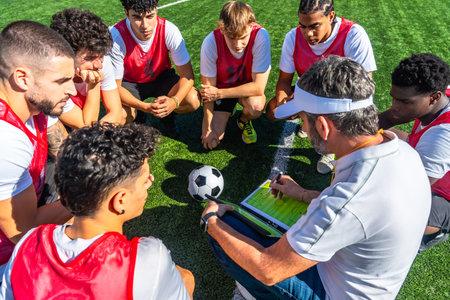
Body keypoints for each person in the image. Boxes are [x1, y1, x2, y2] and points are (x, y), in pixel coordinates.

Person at [201, 56, 430, 299]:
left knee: (228, 228)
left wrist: (212, 222)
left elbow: (268, 269)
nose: (304, 128)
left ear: (323, 126)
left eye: (302, 120)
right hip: (367, 281)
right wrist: (302, 194)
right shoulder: (402, 150)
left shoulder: (350, 198)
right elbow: (362, 212)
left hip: (333, 290)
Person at [0, 122, 195, 299]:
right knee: (186, 278)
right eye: (145, 180)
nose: (150, 181)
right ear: (120, 200)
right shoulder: (149, 259)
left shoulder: (29, 242)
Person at [265, 0, 376, 174]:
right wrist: (282, 98)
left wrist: (317, 105)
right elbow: (284, 81)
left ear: (331, 16)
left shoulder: (353, 34)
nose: (308, 33)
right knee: (273, 111)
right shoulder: (292, 37)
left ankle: (331, 146)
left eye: (314, 26)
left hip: (341, 98)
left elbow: (363, 90)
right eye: (303, 26)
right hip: (308, 93)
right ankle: (310, 124)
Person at [0, 21, 74, 277]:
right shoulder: (6, 140)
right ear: (22, 78)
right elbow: (22, 229)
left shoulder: (36, 103)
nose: (72, 90)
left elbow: (68, 153)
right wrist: (96, 191)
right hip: (7, 258)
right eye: (62, 81)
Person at [378, 53, 450, 252]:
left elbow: (413, 192)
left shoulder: (443, 136)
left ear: (434, 97)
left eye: (405, 102)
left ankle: (435, 230)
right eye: (394, 98)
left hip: (442, 195)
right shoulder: (440, 96)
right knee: (374, 136)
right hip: (429, 159)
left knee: (394, 218)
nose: (395, 107)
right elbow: (386, 120)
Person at [108, 0, 200, 138]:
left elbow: (187, 76)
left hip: (161, 77)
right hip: (129, 83)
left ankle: (167, 117)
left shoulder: (169, 30)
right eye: (137, 17)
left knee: (192, 99)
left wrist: (173, 102)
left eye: (150, 16)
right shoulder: (116, 37)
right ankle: (139, 118)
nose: (145, 25)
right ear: (126, 13)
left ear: (156, 10)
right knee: (119, 115)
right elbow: (114, 89)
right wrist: (144, 107)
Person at [200, 1, 271, 149]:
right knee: (212, 141)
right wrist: (207, 128)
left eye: (243, 37)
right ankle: (225, 113)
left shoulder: (261, 36)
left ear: (252, 25)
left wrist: (219, 94)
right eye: (231, 37)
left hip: (244, 91)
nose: (238, 44)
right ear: (222, 28)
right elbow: (208, 92)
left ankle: (243, 120)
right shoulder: (211, 42)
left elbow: (258, 88)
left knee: (256, 106)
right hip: (221, 91)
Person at [49, 8, 124, 130]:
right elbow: (85, 126)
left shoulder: (100, 60)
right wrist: (94, 86)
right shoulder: (53, 77)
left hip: (84, 116)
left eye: (101, 57)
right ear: (65, 54)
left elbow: (116, 113)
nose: (99, 65)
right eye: (89, 58)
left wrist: (96, 137)